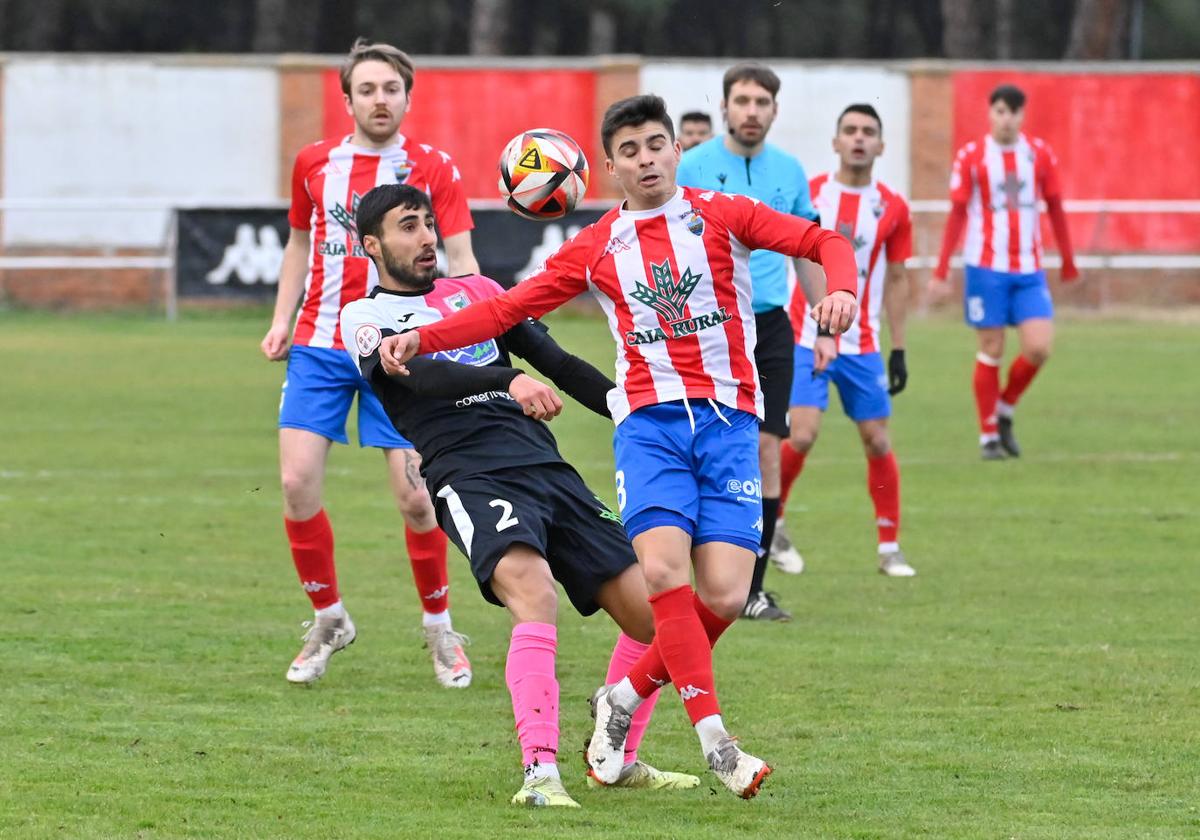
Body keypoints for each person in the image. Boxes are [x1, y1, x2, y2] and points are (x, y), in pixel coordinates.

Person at [379, 95, 860, 799]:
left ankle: (622, 701)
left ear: (675, 151)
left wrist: (840, 293)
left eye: (656, 145)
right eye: (629, 151)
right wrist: (425, 336)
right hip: (650, 428)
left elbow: (823, 241)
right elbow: (509, 308)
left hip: (729, 426)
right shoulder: (600, 244)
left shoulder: (723, 214)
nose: (646, 160)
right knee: (664, 578)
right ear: (608, 168)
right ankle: (717, 744)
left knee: (723, 596)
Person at [341, 183, 699, 807]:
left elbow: (556, 362)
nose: (427, 237)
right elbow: (421, 375)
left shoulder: (480, 293)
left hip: (546, 468)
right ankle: (540, 774)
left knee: (656, 618)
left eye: (429, 223)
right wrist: (507, 379)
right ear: (371, 245)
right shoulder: (365, 319)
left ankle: (614, 756)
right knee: (532, 592)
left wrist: (636, 412)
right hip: (468, 473)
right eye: (407, 227)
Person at [259, 39, 480, 687]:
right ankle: (329, 618)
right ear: (348, 97)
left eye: (390, 89)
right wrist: (280, 318)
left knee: (417, 498)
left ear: (407, 97)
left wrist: (468, 330)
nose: (379, 100)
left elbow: (461, 260)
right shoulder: (314, 164)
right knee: (297, 484)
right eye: (367, 89)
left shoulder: (434, 167)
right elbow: (300, 243)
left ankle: (440, 628)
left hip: (401, 350)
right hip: (320, 347)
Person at [676, 63, 818, 621]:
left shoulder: (790, 171)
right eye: (743, 101)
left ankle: (753, 591)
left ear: (775, 110)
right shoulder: (693, 165)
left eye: (762, 102)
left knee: (766, 449)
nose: (752, 111)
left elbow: (808, 245)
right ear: (726, 108)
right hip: (707, 327)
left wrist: (827, 321)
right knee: (699, 448)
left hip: (771, 325)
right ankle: (689, 576)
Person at [775, 104, 918, 578]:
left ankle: (889, 546)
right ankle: (772, 524)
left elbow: (897, 277)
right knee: (802, 433)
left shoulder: (893, 206)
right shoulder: (810, 192)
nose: (859, 139)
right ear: (836, 142)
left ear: (881, 145)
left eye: (868, 132)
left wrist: (898, 347)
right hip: (804, 335)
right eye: (850, 131)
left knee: (877, 440)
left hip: (864, 344)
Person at [930, 84, 1079, 460]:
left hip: (1029, 269)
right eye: (999, 111)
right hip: (986, 268)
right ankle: (988, 436)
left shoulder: (1038, 155)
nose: (1006, 119)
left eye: (1013, 112)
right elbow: (958, 213)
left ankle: (1005, 407)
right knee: (991, 349)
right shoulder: (972, 157)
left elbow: (1057, 206)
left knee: (1039, 347)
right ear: (990, 113)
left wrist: (1068, 257)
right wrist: (942, 267)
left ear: (1022, 116)